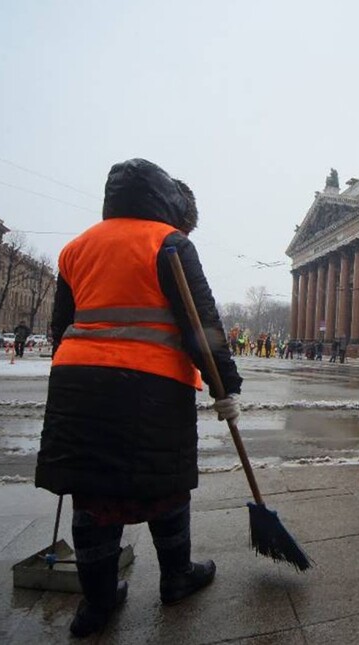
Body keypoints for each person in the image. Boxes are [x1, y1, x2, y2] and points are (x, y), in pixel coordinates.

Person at [34, 159, 243, 637]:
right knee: (162, 485)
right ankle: (177, 577)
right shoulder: (169, 243)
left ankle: (98, 604)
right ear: (166, 201)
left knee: (92, 492)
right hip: (153, 388)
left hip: (78, 385)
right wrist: (225, 387)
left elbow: (60, 325)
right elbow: (202, 326)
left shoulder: (75, 248)